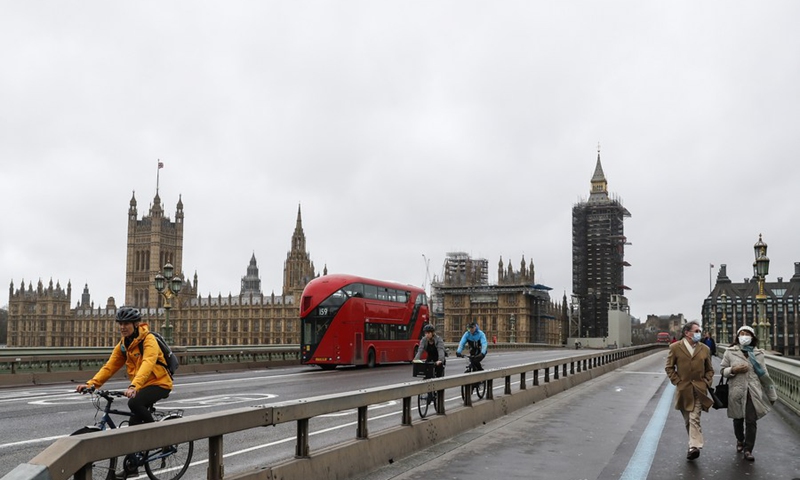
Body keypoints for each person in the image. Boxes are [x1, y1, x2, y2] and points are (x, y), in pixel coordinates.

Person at [76, 307, 173, 477]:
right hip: (141, 385)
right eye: (120, 324)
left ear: (136, 324)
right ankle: (132, 467)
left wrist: (134, 386)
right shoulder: (124, 344)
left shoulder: (149, 340)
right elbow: (110, 366)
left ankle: (162, 438)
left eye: (126, 323)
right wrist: (92, 384)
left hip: (159, 383)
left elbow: (148, 363)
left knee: (134, 403)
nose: (122, 327)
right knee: (132, 426)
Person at [719, 325, 778, 462]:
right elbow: (722, 370)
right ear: (738, 336)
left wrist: (772, 395)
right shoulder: (730, 352)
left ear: (752, 337)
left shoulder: (758, 354)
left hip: (753, 391)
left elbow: (764, 375)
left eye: (747, 334)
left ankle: (748, 449)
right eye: (742, 333)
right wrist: (734, 369)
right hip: (737, 390)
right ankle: (740, 439)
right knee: (738, 419)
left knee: (751, 421)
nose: (744, 336)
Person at [665, 320, 714, 461]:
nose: (699, 333)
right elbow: (669, 367)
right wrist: (677, 382)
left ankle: (695, 447)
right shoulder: (675, 347)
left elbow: (710, 369)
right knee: (688, 420)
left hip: (699, 389)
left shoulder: (704, 349)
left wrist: (706, 382)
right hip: (684, 389)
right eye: (696, 331)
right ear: (687, 333)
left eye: (700, 331)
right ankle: (692, 445)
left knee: (694, 418)